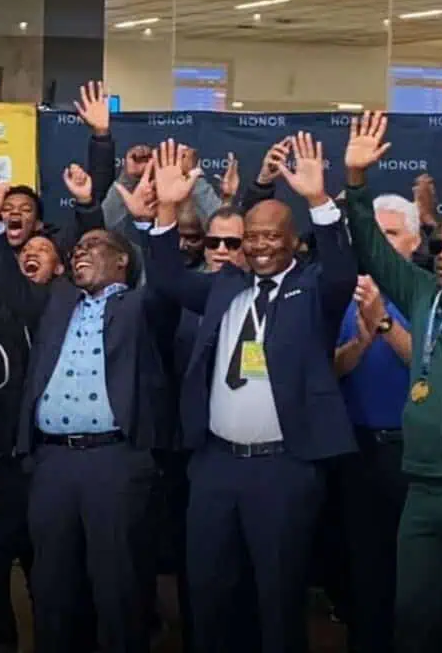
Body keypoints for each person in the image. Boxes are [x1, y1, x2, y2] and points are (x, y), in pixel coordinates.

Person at [145, 135, 357, 653]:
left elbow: (343, 272)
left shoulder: (314, 289)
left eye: (271, 236)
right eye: (251, 237)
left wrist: (317, 199)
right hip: (215, 464)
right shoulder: (226, 286)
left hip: (283, 467)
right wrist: (168, 208)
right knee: (209, 591)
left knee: (278, 594)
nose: (260, 246)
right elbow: (167, 278)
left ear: (293, 242)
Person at [0, 163, 178, 653]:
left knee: (117, 586)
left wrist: (148, 220)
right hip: (52, 463)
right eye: (77, 249)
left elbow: (168, 282)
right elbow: (8, 282)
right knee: (53, 587)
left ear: (123, 262)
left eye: (93, 247)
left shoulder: (140, 307)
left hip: (114, 461)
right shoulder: (56, 303)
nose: (80, 252)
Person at [344, 111, 442, 652]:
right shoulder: (424, 294)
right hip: (424, 485)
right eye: (439, 246)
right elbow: (371, 247)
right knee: (415, 617)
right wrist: (356, 181)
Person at [332, 192, 416, 653]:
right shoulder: (344, 293)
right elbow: (327, 371)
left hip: (415, 455)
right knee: (364, 571)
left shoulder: (430, 294)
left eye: (393, 234)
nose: (380, 245)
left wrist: (383, 322)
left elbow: (429, 368)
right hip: (357, 450)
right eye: (374, 235)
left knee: (418, 573)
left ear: (415, 242)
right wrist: (360, 343)